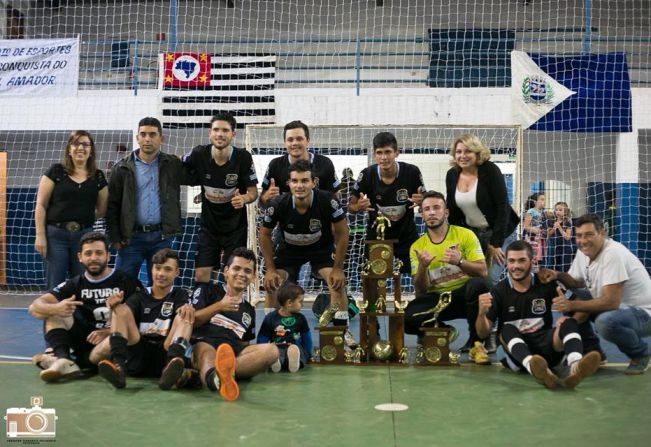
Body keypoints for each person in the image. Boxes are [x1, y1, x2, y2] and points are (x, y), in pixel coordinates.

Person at [476, 240, 601, 389]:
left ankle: (576, 366)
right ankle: (533, 367)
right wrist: (481, 314)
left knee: (569, 322)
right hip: (518, 355)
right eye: (511, 261)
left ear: (532, 261)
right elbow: (482, 333)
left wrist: (569, 314)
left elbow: (582, 298)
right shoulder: (499, 291)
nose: (516, 266)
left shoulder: (545, 283)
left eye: (522, 260)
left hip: (547, 347)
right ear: (506, 263)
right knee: (506, 329)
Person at [539, 214, 651, 375]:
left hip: (643, 314)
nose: (583, 240)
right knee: (574, 300)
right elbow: (577, 283)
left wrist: (571, 306)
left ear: (602, 233)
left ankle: (640, 354)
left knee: (605, 322)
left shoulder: (613, 254)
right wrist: (556, 275)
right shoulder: (584, 252)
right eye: (579, 235)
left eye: (589, 234)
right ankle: (593, 352)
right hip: (621, 308)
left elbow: (610, 302)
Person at [28, 232, 142, 382]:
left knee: (115, 339)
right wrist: (56, 308)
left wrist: (109, 331)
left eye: (99, 253)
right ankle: (63, 359)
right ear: (80, 257)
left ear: (108, 256)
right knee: (53, 310)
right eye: (88, 253)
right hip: (83, 339)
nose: (94, 258)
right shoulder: (74, 284)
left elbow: (141, 318)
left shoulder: (126, 281)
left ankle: (71, 363)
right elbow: (34, 307)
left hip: (109, 342)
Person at [259, 160, 352, 344]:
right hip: (289, 251)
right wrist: (269, 269)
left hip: (320, 249)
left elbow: (343, 233)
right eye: (295, 181)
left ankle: (342, 333)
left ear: (313, 182)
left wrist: (338, 268)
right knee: (271, 283)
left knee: (336, 283)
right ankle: (270, 333)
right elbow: (264, 235)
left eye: (304, 181)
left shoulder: (328, 200)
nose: (299, 186)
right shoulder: (278, 203)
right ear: (289, 183)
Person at [405, 191, 490, 365]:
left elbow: (483, 271)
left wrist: (460, 261)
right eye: (426, 209)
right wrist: (423, 267)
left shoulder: (465, 235)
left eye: (436, 207)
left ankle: (477, 345)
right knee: (407, 318)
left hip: (465, 297)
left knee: (478, 285)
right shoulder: (417, 246)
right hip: (439, 300)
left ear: (446, 212)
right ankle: (444, 330)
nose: (431, 213)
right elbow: (421, 290)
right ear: (422, 215)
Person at [96, 249, 195, 390]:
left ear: (176, 273)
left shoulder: (180, 295)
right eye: (157, 268)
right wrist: (113, 308)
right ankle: (118, 367)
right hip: (138, 355)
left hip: (166, 354)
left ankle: (172, 365)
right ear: (151, 269)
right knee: (120, 309)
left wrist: (187, 308)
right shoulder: (139, 296)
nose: (161, 274)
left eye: (167, 269)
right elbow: (122, 319)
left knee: (186, 315)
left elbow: (184, 312)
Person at [106, 117, 188, 286]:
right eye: (143, 134)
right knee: (121, 286)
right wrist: (114, 236)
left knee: (161, 287)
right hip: (130, 239)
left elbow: (198, 175)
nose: (147, 139)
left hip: (161, 237)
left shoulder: (172, 164)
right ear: (137, 138)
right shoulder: (121, 168)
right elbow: (112, 205)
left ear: (161, 138)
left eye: (152, 134)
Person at [190, 247, 279, 401]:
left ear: (253, 277)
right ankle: (215, 380)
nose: (241, 274)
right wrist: (219, 306)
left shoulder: (249, 310)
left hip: (233, 354)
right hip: (204, 344)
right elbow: (193, 321)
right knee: (206, 351)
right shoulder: (208, 291)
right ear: (226, 271)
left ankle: (222, 373)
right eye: (236, 268)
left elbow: (245, 344)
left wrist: (250, 359)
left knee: (272, 351)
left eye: (247, 271)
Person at [182, 113, 258, 284]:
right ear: (210, 133)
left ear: (233, 134)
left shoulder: (243, 157)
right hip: (209, 227)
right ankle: (207, 308)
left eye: (225, 130)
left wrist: (244, 199)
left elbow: (253, 193)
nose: (220, 134)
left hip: (235, 228)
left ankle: (232, 309)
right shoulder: (199, 153)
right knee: (201, 275)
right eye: (216, 130)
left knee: (233, 276)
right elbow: (179, 164)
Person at [34, 130, 108, 289]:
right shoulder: (55, 171)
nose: (81, 148)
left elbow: (102, 209)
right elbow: (40, 205)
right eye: (76, 143)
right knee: (55, 285)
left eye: (86, 144)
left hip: (84, 238)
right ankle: (54, 314)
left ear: (91, 151)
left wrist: (83, 220)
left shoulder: (98, 177)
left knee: (82, 284)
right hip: (56, 237)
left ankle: (79, 315)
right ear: (69, 149)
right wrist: (40, 236)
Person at [445, 133, 519, 282]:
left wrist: (495, 243)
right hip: (474, 235)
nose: (463, 156)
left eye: (468, 151)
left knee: (490, 278)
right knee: (471, 277)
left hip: (500, 232)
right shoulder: (452, 175)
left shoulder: (490, 170)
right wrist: (456, 240)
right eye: (459, 152)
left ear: (477, 153)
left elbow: (503, 207)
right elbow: (452, 211)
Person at [349, 131, 425, 273]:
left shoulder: (412, 172)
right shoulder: (366, 175)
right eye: (379, 153)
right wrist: (358, 206)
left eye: (388, 152)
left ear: (397, 153)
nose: (383, 157)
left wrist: (422, 202)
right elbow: (350, 206)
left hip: (406, 234)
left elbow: (424, 202)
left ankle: (421, 296)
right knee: (372, 277)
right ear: (374, 155)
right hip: (378, 235)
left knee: (419, 272)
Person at [258, 120, 339, 206]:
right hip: (286, 219)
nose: (295, 143)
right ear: (285, 143)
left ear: (308, 141)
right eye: (290, 140)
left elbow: (335, 197)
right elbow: (262, 201)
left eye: (299, 139)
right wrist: (266, 197)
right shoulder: (275, 165)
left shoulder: (325, 164)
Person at [257, 282, 313, 373]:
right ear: (289, 303)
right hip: (278, 347)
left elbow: (262, 338)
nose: (302, 305)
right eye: (300, 302)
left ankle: (284, 361)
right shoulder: (271, 318)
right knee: (276, 351)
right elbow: (263, 336)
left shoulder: (300, 318)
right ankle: (277, 361)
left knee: (296, 351)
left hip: (292, 347)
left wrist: (307, 353)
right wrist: (308, 353)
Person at [546, 201, 575, 272]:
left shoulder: (567, 222)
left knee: (564, 269)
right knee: (552, 267)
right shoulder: (552, 221)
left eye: (560, 210)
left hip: (565, 248)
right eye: (556, 210)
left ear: (565, 211)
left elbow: (568, 237)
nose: (557, 212)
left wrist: (559, 227)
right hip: (554, 249)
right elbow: (548, 235)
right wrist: (553, 228)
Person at [523, 192, 547, 268]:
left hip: (540, 238)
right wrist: (535, 230)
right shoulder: (531, 211)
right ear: (535, 201)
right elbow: (526, 226)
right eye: (542, 199)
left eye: (545, 199)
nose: (544, 201)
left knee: (538, 260)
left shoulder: (543, 212)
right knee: (532, 258)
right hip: (532, 238)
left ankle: (537, 276)